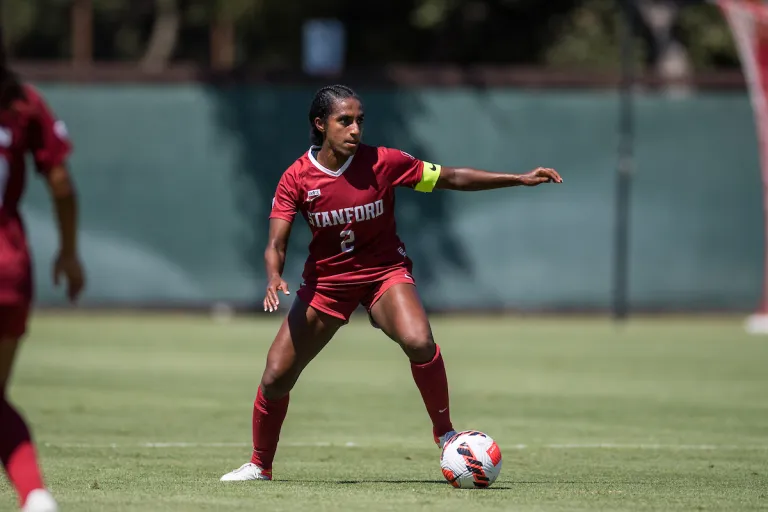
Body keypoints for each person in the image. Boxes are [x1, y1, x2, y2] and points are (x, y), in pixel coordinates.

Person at [220, 85, 561, 482]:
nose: (354, 129)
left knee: (420, 341)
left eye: (359, 120)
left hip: (384, 274)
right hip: (328, 285)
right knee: (276, 377)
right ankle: (260, 465)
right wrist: (274, 277)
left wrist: (517, 179)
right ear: (320, 124)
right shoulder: (296, 177)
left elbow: (451, 177)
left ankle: (446, 434)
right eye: (344, 121)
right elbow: (276, 243)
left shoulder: (384, 162)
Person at [0, 46, 85, 511]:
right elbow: (61, 184)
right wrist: (69, 253)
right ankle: (35, 497)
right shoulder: (22, 102)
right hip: (9, 268)